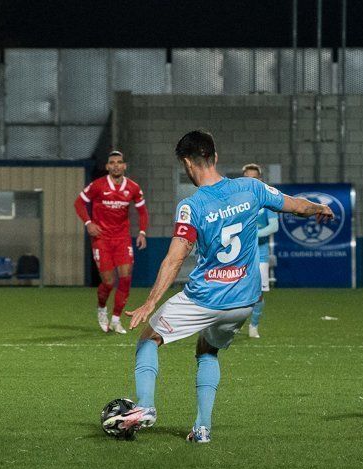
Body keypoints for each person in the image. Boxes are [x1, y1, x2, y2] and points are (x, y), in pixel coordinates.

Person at [101, 130, 334, 443]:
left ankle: (145, 406)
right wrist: (319, 207)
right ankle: (202, 429)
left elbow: (173, 259)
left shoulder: (192, 205)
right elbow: (295, 205)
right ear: (215, 156)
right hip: (242, 303)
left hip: (204, 297)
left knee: (148, 339)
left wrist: (150, 303)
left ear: (187, 162)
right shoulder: (251, 188)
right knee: (207, 350)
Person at [75, 150, 149, 334]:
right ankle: (102, 309)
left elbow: (142, 211)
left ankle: (116, 319)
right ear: (107, 166)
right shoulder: (98, 185)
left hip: (122, 238)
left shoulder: (133, 187)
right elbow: (79, 203)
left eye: (119, 162)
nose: (116, 165)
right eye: (112, 162)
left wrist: (142, 232)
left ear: (124, 166)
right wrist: (88, 222)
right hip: (101, 239)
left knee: (125, 278)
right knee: (108, 282)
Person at [241, 163, 278, 338]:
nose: (251, 181)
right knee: (236, 292)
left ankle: (253, 326)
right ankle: (233, 325)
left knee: (258, 294)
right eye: (247, 178)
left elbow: (274, 226)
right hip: (239, 256)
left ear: (260, 180)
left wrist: (253, 234)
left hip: (260, 255)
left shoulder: (267, 199)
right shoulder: (236, 201)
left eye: (254, 178)